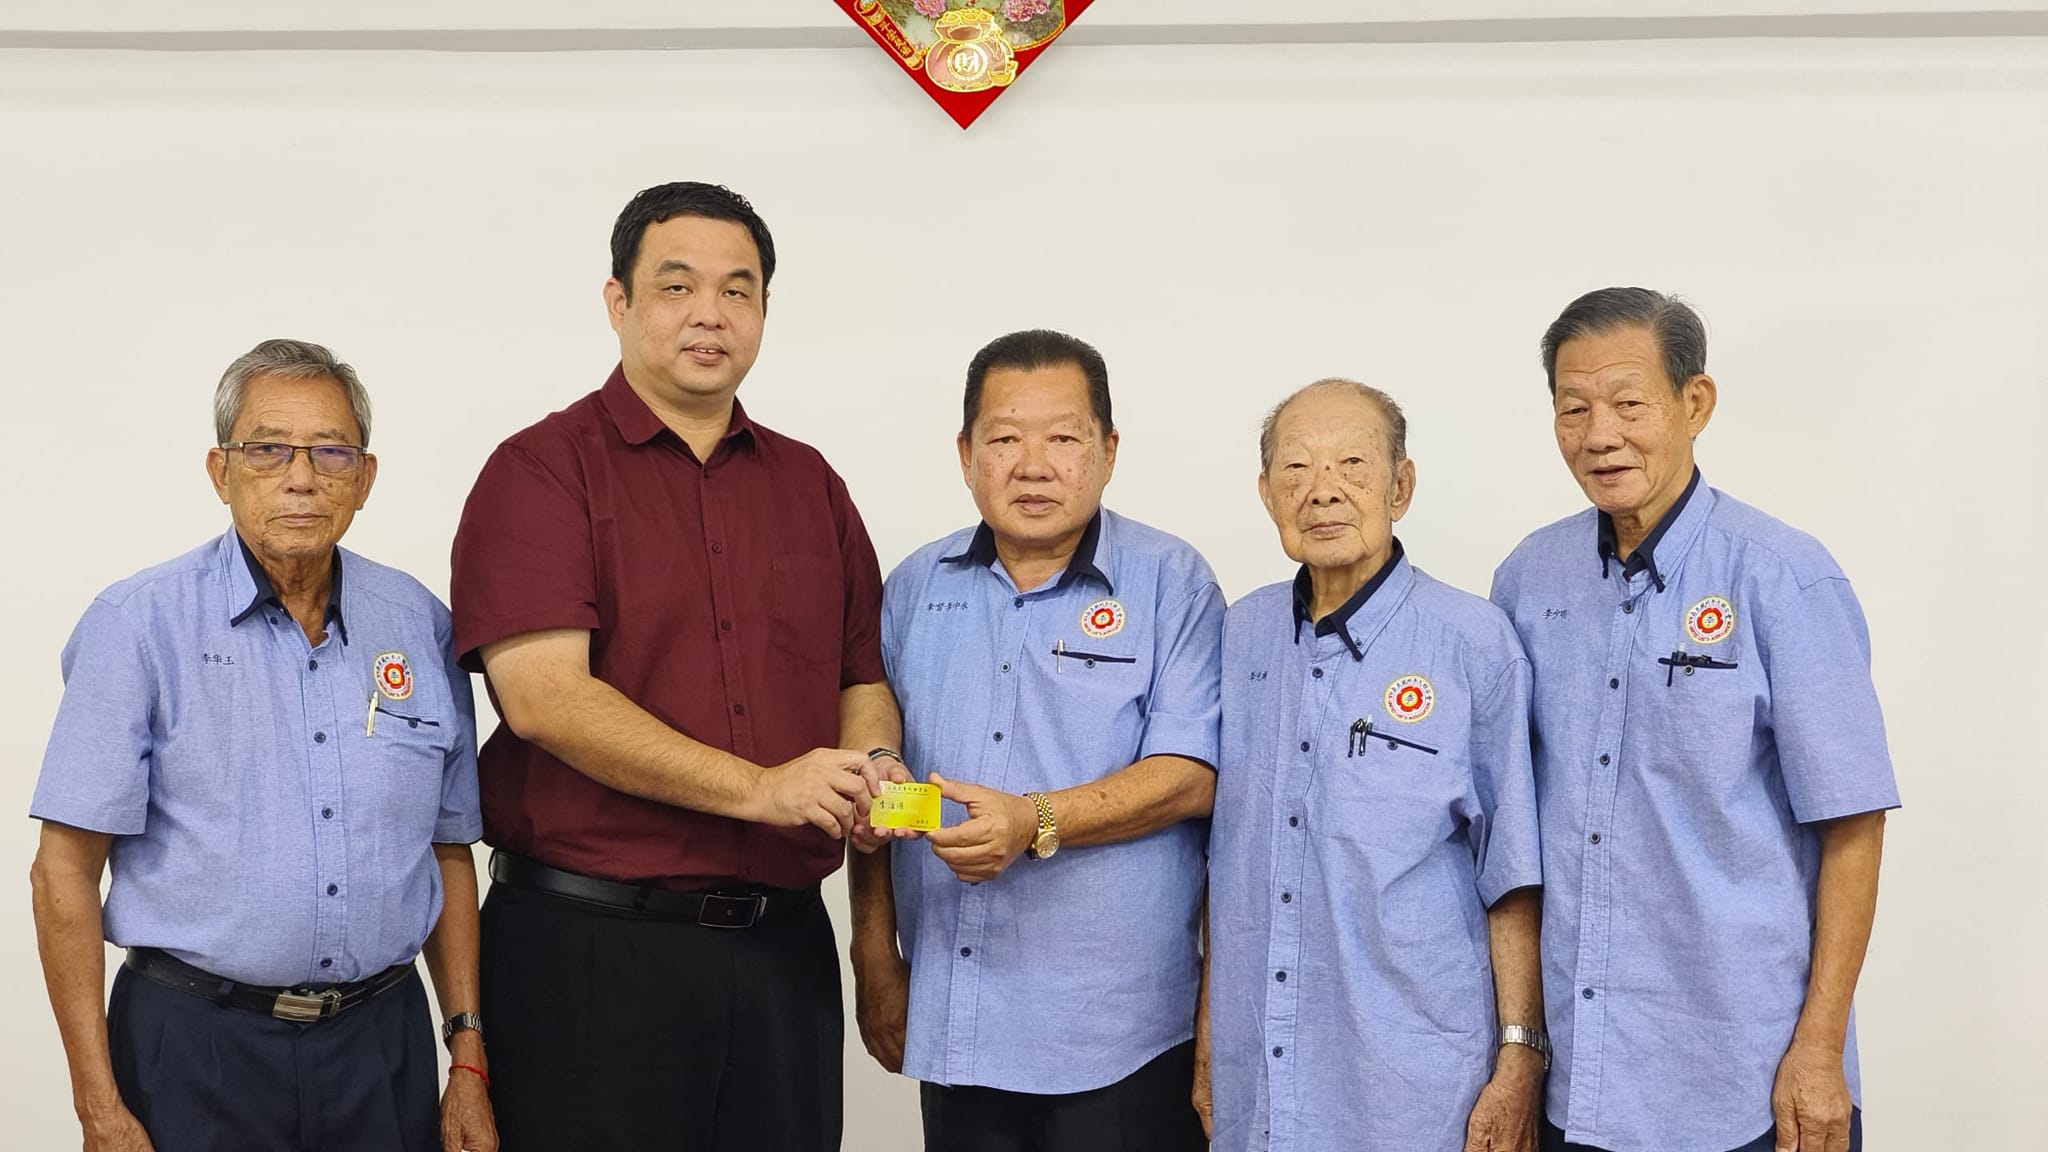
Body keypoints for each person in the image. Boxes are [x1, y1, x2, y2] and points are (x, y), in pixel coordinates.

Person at [449, 181, 897, 1152]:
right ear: (618, 301)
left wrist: (872, 771)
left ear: (765, 310)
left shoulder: (811, 485)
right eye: (677, 285)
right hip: (590, 954)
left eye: (738, 290)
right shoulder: (541, 471)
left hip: (782, 954)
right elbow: (544, 699)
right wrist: (762, 789)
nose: (710, 313)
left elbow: (860, 679)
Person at [29, 338, 495, 1152]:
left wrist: (466, 1056)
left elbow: (447, 851)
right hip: (194, 1047)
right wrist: (97, 1105)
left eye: (330, 452)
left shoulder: (419, 624)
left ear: (365, 477)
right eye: (268, 449)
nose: (301, 477)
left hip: (381, 1047)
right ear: (221, 471)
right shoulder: (138, 626)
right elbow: (62, 870)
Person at [1490, 288, 1899, 1152]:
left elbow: (1853, 827)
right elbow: (1511, 832)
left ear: (1695, 402)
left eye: (1629, 403)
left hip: (1746, 1083)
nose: (1600, 435)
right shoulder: (1527, 580)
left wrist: (1820, 1050)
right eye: (1573, 408)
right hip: (1581, 1082)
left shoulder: (1783, 577)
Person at [849, 329, 1222, 1152]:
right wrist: (872, 948)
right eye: (1004, 439)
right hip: (958, 1012)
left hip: (1118, 1028)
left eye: (1063, 439)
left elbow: (1192, 775)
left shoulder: (1172, 581)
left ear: (1108, 450)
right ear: (965, 453)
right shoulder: (914, 587)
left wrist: (1035, 820)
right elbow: (881, 785)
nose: (1033, 466)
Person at [1200, 378, 1545, 1152]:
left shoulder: (1473, 642)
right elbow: (1228, 858)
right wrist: (1211, 1039)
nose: (1322, 490)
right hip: (1259, 1072)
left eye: (1352, 464)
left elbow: (1512, 872)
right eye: (1296, 468)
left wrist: (1521, 1057)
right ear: (1266, 493)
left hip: (1414, 1080)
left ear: (1401, 486)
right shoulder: (1239, 635)